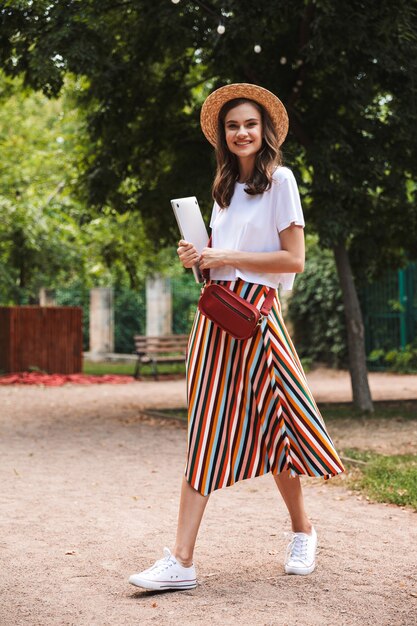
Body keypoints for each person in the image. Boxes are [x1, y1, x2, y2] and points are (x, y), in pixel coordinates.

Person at [129, 83, 345, 592]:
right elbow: (217, 266)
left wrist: (226, 257)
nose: (242, 132)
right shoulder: (223, 189)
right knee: (203, 431)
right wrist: (199, 259)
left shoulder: (282, 181)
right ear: (222, 137)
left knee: (278, 430)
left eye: (249, 124)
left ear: (264, 130)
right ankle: (181, 561)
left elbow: (294, 259)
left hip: (257, 319)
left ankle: (303, 530)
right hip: (214, 320)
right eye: (232, 126)